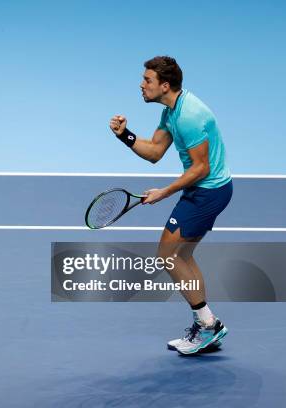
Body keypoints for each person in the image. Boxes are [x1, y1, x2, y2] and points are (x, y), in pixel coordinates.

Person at [109, 56, 232, 355]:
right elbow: (154, 152)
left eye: (147, 80)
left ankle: (208, 325)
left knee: (166, 255)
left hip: (207, 191)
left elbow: (200, 168)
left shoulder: (189, 116)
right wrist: (125, 135)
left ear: (164, 85)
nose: (141, 84)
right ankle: (206, 326)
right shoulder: (171, 110)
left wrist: (164, 192)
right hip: (203, 190)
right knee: (183, 256)